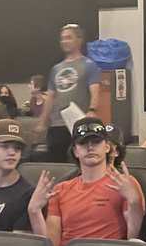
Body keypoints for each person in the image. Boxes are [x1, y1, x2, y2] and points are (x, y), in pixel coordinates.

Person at [25, 116, 143, 246]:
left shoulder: (124, 184)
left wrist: (134, 201)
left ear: (107, 147)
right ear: (75, 151)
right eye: (83, 143)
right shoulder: (61, 189)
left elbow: (133, 238)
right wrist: (34, 211)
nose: (90, 147)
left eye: (96, 142)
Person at [36, 24, 102, 158]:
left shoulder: (89, 65)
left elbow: (95, 90)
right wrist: (43, 121)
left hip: (77, 123)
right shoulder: (56, 69)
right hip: (57, 124)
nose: (64, 41)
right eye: (62, 38)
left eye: (68, 38)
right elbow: (50, 96)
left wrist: (92, 110)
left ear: (79, 40)